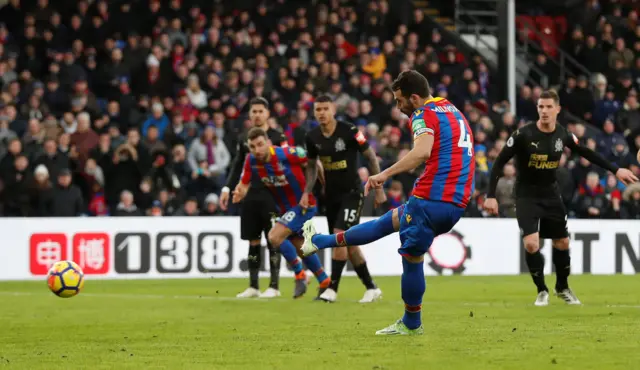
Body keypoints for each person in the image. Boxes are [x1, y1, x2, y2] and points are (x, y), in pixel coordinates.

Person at [301, 70, 475, 335]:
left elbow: (422, 151)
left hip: (431, 197)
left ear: (414, 98)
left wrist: (383, 174)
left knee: (412, 258)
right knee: (390, 221)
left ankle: (411, 323)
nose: (398, 106)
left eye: (399, 100)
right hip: (456, 200)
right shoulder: (451, 109)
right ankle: (319, 242)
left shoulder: (421, 114)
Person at [483, 90, 638, 306]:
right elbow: (499, 163)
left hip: (550, 194)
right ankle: (541, 290)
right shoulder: (523, 135)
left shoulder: (562, 134)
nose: (544, 111)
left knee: (562, 242)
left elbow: (586, 152)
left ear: (557, 109)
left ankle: (562, 287)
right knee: (531, 244)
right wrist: (491, 196)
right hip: (526, 194)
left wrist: (615, 170)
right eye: (540, 107)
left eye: (548, 107)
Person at [302, 95, 385, 303]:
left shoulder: (349, 131)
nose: (321, 113)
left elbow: (371, 156)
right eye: (317, 109)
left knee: (339, 236)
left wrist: (379, 188)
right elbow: (312, 166)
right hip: (331, 196)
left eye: (324, 108)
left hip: (352, 193)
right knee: (348, 243)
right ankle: (371, 287)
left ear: (333, 110)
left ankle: (332, 289)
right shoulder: (312, 137)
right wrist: (307, 191)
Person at [232, 127, 331, 299]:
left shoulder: (289, 153)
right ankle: (324, 280)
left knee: (275, 236)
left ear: (268, 143)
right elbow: (244, 183)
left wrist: (321, 187)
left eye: (260, 144)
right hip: (285, 209)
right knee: (300, 245)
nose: (257, 150)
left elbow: (315, 163)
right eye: (253, 147)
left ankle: (300, 275)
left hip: (303, 204)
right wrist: (239, 191)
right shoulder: (250, 160)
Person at [220, 97, 288, 299]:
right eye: (254, 111)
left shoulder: (278, 136)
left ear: (267, 113)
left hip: (273, 196)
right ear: (250, 115)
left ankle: (274, 285)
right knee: (253, 240)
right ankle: (253, 285)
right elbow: (237, 165)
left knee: (273, 240)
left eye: (261, 111)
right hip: (250, 194)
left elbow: (289, 162)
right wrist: (227, 188)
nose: (257, 115)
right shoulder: (244, 138)